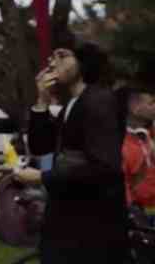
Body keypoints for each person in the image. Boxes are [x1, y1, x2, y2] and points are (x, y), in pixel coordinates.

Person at [17, 44, 126, 263]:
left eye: (62, 56)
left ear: (83, 63)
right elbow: (41, 146)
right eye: (51, 57)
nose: (52, 62)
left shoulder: (98, 101)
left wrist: (42, 177)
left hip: (90, 227)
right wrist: (41, 101)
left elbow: (105, 167)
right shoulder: (74, 103)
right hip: (69, 221)